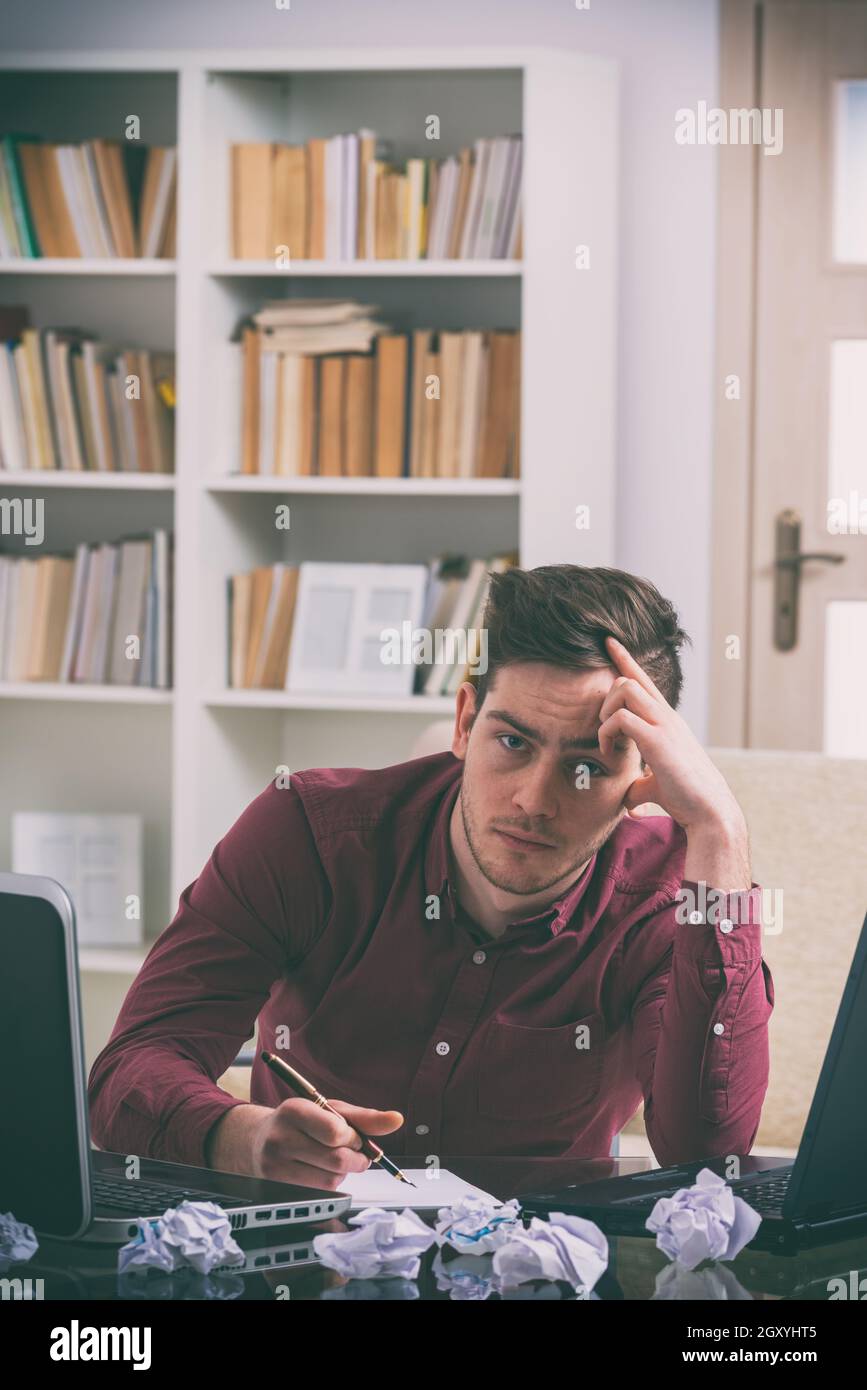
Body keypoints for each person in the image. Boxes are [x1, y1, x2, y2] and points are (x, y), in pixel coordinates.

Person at [88, 564, 774, 1190]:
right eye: (512, 742)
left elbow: (707, 1157)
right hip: (301, 1257)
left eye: (586, 763)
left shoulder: (665, 897)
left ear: (645, 774)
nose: (534, 799)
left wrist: (720, 833)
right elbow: (130, 1071)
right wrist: (235, 1138)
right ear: (465, 720)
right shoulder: (306, 835)